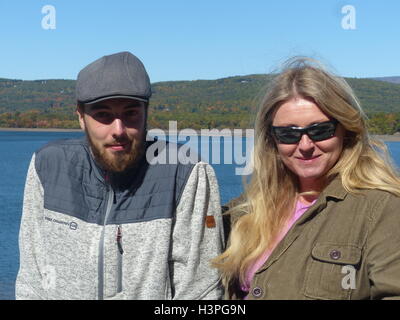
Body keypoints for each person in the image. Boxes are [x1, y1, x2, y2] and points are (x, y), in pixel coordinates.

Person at [16, 51, 224, 300]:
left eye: (131, 113)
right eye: (103, 115)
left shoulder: (185, 172)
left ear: (146, 113)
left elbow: (201, 291)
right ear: (81, 117)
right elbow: (31, 277)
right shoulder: (47, 166)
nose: (119, 130)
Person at [213, 57, 400, 300]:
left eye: (320, 130)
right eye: (288, 134)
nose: (305, 145)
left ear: (346, 129)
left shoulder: (382, 209)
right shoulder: (249, 209)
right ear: (272, 139)